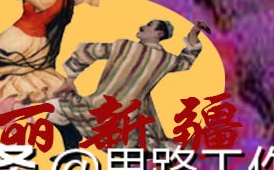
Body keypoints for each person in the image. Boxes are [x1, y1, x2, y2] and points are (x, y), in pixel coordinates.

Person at [49, 19, 208, 150]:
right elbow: (90, 51)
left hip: (122, 117)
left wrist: (194, 33)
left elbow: (89, 51)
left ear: (159, 34)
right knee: (53, 108)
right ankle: (72, 152)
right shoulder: (129, 48)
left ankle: (74, 151)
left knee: (141, 146)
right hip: (101, 108)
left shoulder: (160, 58)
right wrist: (70, 79)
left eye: (149, 25)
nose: (142, 26)